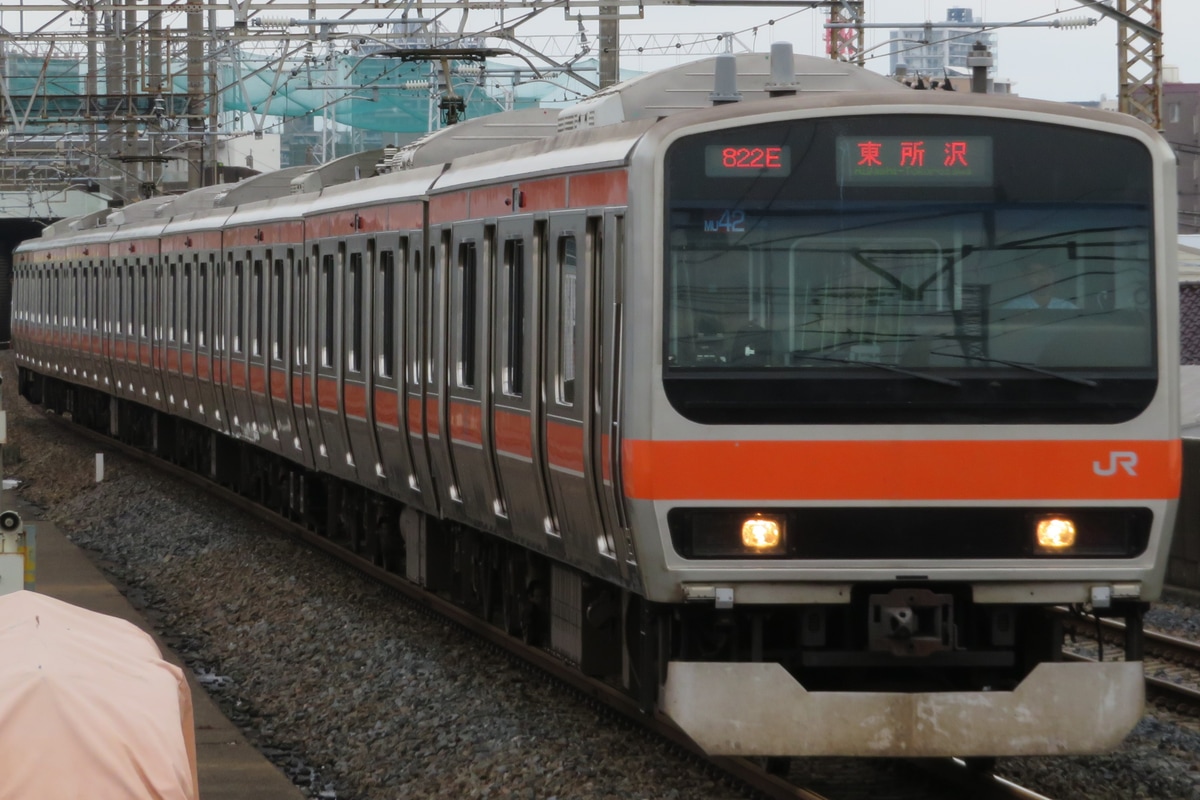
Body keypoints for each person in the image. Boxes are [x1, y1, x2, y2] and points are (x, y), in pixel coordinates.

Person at [1002, 261, 1078, 309]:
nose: (1043, 278)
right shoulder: (1014, 308)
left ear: (1054, 277)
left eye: (1047, 273)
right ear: (1026, 278)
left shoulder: (1067, 308)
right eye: (1036, 273)